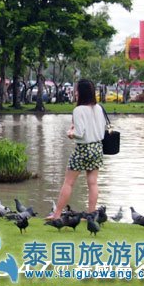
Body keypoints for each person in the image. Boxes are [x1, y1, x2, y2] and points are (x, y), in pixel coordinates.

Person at [46, 79, 106, 220]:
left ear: (81, 92)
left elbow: (79, 133)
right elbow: (101, 131)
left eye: (76, 89)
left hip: (83, 149)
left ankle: (57, 214)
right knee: (93, 183)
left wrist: (70, 133)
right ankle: (91, 214)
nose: (75, 92)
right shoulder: (99, 108)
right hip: (97, 147)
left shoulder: (78, 110)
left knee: (68, 182)